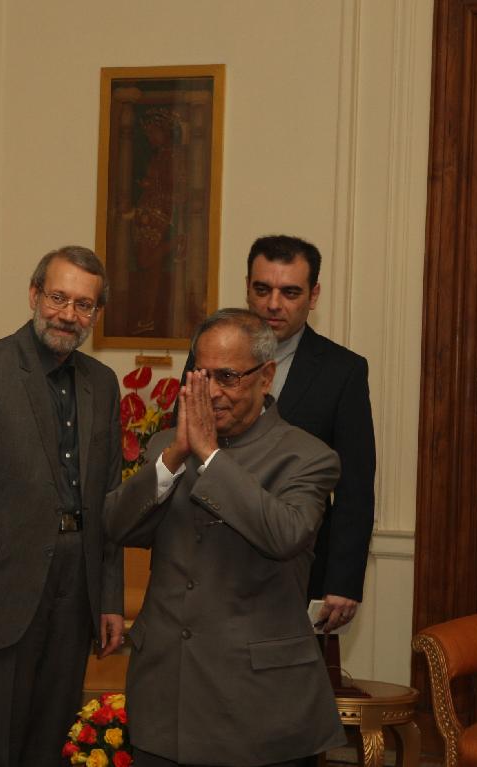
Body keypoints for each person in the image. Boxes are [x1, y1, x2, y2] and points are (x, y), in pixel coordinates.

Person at [106, 308, 345, 767]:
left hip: (259, 706)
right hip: (166, 697)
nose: (212, 392)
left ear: (266, 377)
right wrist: (174, 457)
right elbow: (116, 526)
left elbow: (285, 535)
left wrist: (210, 456)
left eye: (228, 377)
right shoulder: (166, 447)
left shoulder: (307, 456)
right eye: (202, 375)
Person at [0, 245, 125, 767]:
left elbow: (110, 500)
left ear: (96, 313)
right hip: (1, 592)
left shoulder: (102, 383)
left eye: (84, 304)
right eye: (58, 297)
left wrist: (109, 598)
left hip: (77, 588)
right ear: (33, 294)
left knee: (54, 738)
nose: (68, 314)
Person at [178, 235, 376, 633]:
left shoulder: (343, 371)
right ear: (247, 288)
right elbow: (185, 443)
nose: (273, 304)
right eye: (262, 289)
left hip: (294, 563)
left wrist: (343, 581)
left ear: (313, 295)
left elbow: (355, 485)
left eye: (290, 292)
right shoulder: (209, 355)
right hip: (209, 558)